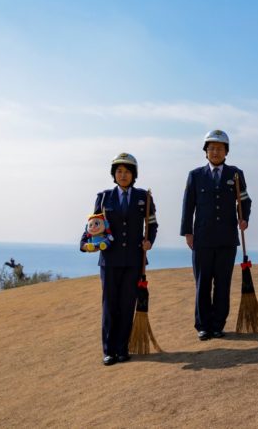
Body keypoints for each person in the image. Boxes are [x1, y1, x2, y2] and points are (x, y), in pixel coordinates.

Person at [80, 153, 157, 365]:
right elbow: (93, 224)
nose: (123, 175)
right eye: (119, 171)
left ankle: (123, 349)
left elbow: (152, 225)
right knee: (110, 306)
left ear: (134, 174)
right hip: (109, 261)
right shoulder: (104, 197)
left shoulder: (145, 198)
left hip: (134, 260)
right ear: (114, 175)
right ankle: (109, 350)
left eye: (127, 171)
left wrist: (149, 240)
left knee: (127, 305)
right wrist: (84, 242)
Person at [180, 130, 251, 341]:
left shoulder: (235, 174)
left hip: (227, 238)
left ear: (226, 151)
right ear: (206, 152)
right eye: (211, 148)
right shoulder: (195, 175)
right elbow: (188, 206)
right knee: (202, 283)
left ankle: (218, 324)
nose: (215, 152)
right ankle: (203, 326)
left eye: (219, 148)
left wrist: (244, 217)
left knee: (222, 283)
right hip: (202, 238)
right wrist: (188, 232)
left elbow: (245, 200)